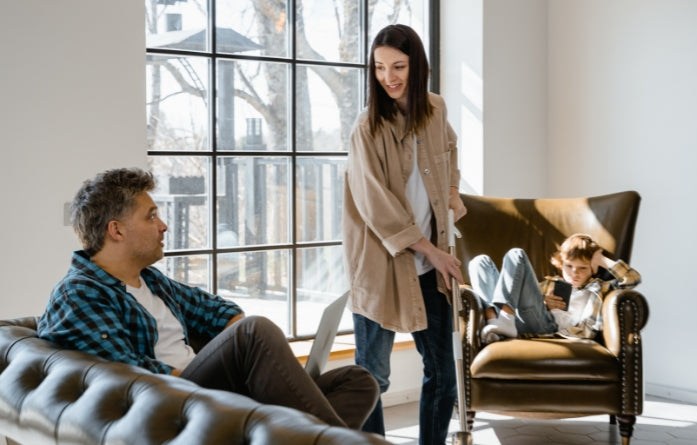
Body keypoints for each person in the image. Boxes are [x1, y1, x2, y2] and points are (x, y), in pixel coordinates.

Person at [37, 167, 378, 430]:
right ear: (117, 230)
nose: (163, 226)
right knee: (253, 332)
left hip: (204, 390)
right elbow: (127, 375)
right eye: (151, 215)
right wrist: (225, 375)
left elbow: (220, 311)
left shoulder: (151, 281)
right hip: (171, 403)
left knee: (358, 381)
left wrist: (260, 373)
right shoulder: (81, 292)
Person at [342, 24, 467, 445]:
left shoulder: (436, 109)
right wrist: (431, 251)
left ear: (418, 67)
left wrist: (451, 193)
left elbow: (449, 148)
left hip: (431, 263)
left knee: (442, 373)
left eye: (398, 66)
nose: (388, 77)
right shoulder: (367, 127)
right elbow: (375, 204)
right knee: (372, 376)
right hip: (380, 263)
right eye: (379, 68)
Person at [468, 233, 642, 344]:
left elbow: (632, 279)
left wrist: (600, 259)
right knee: (479, 262)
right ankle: (494, 320)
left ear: (593, 269)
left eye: (583, 268)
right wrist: (543, 301)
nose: (575, 273)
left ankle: (503, 319)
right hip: (521, 320)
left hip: (550, 328)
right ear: (561, 265)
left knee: (516, 254)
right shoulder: (550, 284)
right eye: (569, 266)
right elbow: (527, 301)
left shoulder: (600, 287)